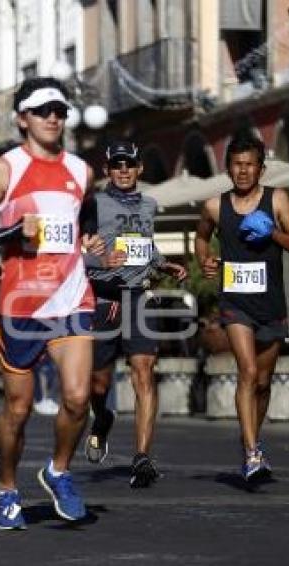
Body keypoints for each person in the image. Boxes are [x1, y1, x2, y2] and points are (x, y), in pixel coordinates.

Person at [0, 77, 105, 529]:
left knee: (79, 398)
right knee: (18, 410)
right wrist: (12, 232)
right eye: (43, 111)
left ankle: (58, 471)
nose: (53, 118)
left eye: (60, 111)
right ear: (22, 118)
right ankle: (7, 488)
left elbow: (86, 217)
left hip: (72, 297)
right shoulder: (4, 170)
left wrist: (90, 240)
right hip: (22, 306)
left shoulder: (81, 171)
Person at [194, 132, 289, 483]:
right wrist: (205, 259)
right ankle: (252, 452)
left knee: (264, 382)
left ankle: (253, 438)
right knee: (248, 372)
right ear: (228, 169)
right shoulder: (214, 205)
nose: (242, 171)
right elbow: (201, 237)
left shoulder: (278, 199)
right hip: (234, 301)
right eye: (237, 165)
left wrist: (273, 235)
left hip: (271, 303)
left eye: (249, 165)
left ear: (260, 169)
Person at [83, 140, 187, 488]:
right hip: (104, 301)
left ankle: (142, 457)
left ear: (140, 169)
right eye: (117, 164)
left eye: (130, 164)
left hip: (139, 299)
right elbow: (72, 252)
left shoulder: (149, 204)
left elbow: (143, 242)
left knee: (144, 372)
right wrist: (99, 260)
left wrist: (163, 263)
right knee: (97, 384)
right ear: (108, 170)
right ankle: (102, 418)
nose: (124, 170)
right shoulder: (94, 205)